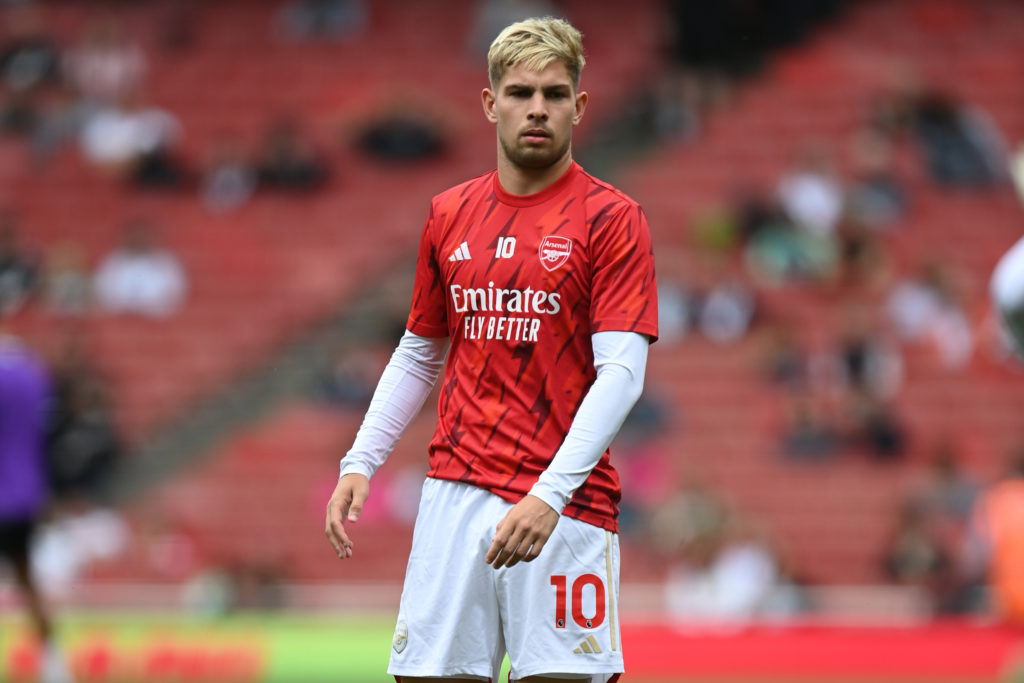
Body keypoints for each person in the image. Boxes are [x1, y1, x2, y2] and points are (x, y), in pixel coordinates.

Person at [324, 17, 658, 682]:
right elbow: (420, 350)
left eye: (556, 94)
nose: (538, 108)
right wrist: (362, 458)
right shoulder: (449, 213)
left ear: (580, 106)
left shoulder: (612, 218)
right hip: (455, 495)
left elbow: (621, 373)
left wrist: (548, 495)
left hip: (567, 506)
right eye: (521, 92)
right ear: (489, 102)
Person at [0, 313, 75, 683]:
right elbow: (50, 436)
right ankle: (54, 665)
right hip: (24, 496)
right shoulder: (34, 373)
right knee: (27, 579)